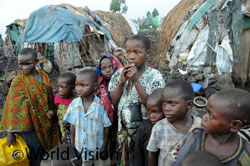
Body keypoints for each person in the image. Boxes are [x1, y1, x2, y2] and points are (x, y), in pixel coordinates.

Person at [108, 34, 165, 165]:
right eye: (128, 52)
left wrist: (136, 82)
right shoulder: (119, 74)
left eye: (137, 52)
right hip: (123, 134)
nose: (131, 57)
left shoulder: (154, 76)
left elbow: (154, 107)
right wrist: (122, 83)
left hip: (145, 135)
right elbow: (113, 102)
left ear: (148, 53)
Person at [0, 48, 60, 165]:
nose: (24, 67)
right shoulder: (18, 82)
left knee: (46, 153)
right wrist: (10, 133)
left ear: (36, 61)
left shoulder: (42, 76)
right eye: (21, 64)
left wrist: (52, 110)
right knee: (34, 153)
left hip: (46, 121)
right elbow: (13, 108)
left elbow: (48, 96)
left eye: (28, 64)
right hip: (28, 127)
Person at [172, 88, 250, 166]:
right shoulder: (196, 134)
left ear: (234, 125)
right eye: (206, 111)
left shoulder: (245, 156)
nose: (203, 117)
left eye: (210, 115)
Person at [147, 79, 202, 166]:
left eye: (172, 104)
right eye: (164, 103)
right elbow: (152, 154)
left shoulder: (200, 125)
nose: (166, 108)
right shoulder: (159, 127)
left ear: (189, 105)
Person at [64, 69, 112, 166]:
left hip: (98, 148)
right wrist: (72, 145)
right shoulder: (74, 104)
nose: (79, 89)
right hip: (81, 149)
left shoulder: (100, 105)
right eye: (77, 85)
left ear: (95, 86)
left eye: (84, 85)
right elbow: (72, 126)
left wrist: (104, 147)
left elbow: (107, 127)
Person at [96, 54, 123, 162]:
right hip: (105, 126)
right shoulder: (98, 86)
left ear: (116, 66)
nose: (108, 71)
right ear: (99, 70)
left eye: (110, 67)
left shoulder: (123, 81)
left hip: (120, 121)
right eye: (104, 68)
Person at [131, 88, 165, 166]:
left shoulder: (169, 128)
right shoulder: (144, 128)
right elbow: (137, 154)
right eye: (148, 111)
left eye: (156, 112)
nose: (151, 116)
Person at [54, 72, 76, 144]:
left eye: (64, 87)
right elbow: (56, 108)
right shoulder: (57, 97)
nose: (60, 90)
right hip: (61, 129)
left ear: (73, 87)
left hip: (72, 130)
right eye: (58, 87)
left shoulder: (76, 101)